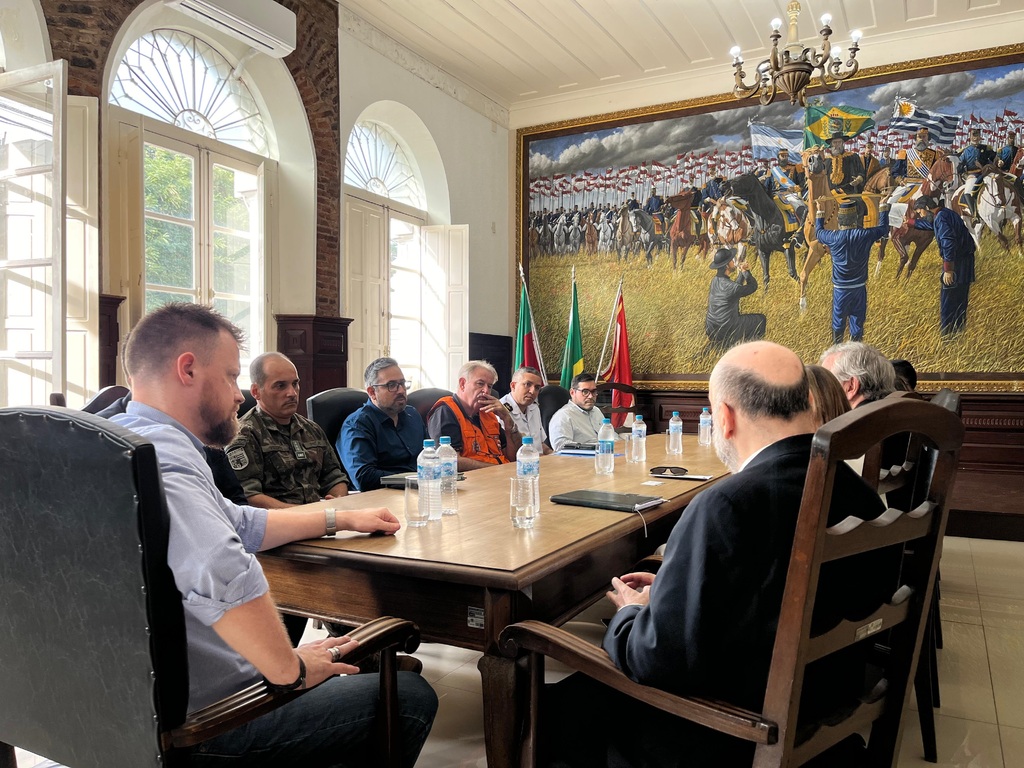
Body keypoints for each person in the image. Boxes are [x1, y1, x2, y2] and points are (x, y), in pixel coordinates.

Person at [110, 303, 437, 765]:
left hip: (133, 704)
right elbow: (219, 570)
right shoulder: (165, 459)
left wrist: (340, 518)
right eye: (229, 376)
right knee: (411, 696)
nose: (239, 397)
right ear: (187, 369)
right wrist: (293, 668)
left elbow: (239, 521)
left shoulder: (123, 437)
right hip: (212, 718)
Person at [541, 341, 896, 767]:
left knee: (553, 713)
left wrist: (630, 614)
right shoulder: (862, 497)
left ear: (724, 418)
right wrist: (678, 590)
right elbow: (779, 591)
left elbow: (657, 659)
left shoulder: (728, 504)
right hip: (823, 704)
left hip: (730, 729)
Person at [225, 352, 349, 508]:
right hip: (277, 526)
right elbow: (249, 496)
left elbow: (334, 477)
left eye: (295, 383)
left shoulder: (311, 429)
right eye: (280, 385)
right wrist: (305, 515)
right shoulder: (244, 434)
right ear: (256, 391)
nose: (292, 393)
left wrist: (337, 500)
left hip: (321, 520)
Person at [339, 356, 425, 491]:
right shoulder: (358, 424)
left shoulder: (412, 414)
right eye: (391, 385)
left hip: (422, 491)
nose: (401, 390)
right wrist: (413, 480)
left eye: (402, 383)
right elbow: (364, 478)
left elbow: (430, 455)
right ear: (372, 392)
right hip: (382, 498)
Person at [815, 198, 891, 343]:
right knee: (857, 323)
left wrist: (820, 210)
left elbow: (818, 232)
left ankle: (836, 349)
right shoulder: (864, 235)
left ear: (839, 220)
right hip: (859, 289)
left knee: (838, 323)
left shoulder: (832, 237)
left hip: (840, 290)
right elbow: (883, 229)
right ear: (855, 219)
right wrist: (882, 206)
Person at [427, 360, 521, 470]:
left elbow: (513, 457)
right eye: (480, 384)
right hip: (471, 481)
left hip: (500, 476)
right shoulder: (446, 411)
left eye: (489, 386)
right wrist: (495, 469)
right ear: (462, 384)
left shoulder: (488, 413)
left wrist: (507, 419)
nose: (486, 391)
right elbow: (450, 461)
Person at [913, 195, 977, 337]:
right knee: (960, 301)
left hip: (955, 263)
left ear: (927, 208)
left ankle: (947, 337)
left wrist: (948, 269)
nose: (920, 216)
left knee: (948, 301)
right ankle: (958, 333)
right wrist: (911, 222)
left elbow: (948, 242)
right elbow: (931, 225)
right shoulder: (945, 214)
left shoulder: (941, 218)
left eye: (920, 212)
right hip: (965, 261)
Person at [704, 246, 765, 348]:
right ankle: (752, 351)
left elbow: (735, 290)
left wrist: (741, 273)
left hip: (711, 329)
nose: (734, 262)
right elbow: (753, 287)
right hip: (727, 329)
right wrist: (746, 272)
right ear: (727, 266)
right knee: (761, 319)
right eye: (732, 260)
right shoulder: (731, 287)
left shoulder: (715, 281)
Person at [820, 341, 897, 408]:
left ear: (851, 387)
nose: (819, 392)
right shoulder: (902, 417)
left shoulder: (856, 424)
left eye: (824, 383)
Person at [547, 372, 608, 451]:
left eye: (594, 392)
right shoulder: (563, 416)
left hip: (604, 455)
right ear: (572, 392)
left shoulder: (596, 410)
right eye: (585, 392)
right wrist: (594, 447)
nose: (591, 396)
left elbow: (610, 436)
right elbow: (560, 446)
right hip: (580, 459)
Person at [500, 365, 553, 454]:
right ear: (513, 386)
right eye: (527, 384)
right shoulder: (501, 410)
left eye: (537, 388)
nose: (532, 391)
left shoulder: (534, 407)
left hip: (540, 461)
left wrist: (554, 456)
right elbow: (505, 452)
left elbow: (540, 444)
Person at [958, 127, 997, 221]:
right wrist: (963, 175)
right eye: (973, 135)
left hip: (985, 173)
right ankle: (974, 214)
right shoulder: (966, 151)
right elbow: (960, 165)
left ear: (980, 137)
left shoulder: (986, 149)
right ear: (970, 137)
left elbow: (995, 158)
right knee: (967, 192)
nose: (975, 138)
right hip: (972, 175)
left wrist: (998, 162)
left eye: (977, 135)